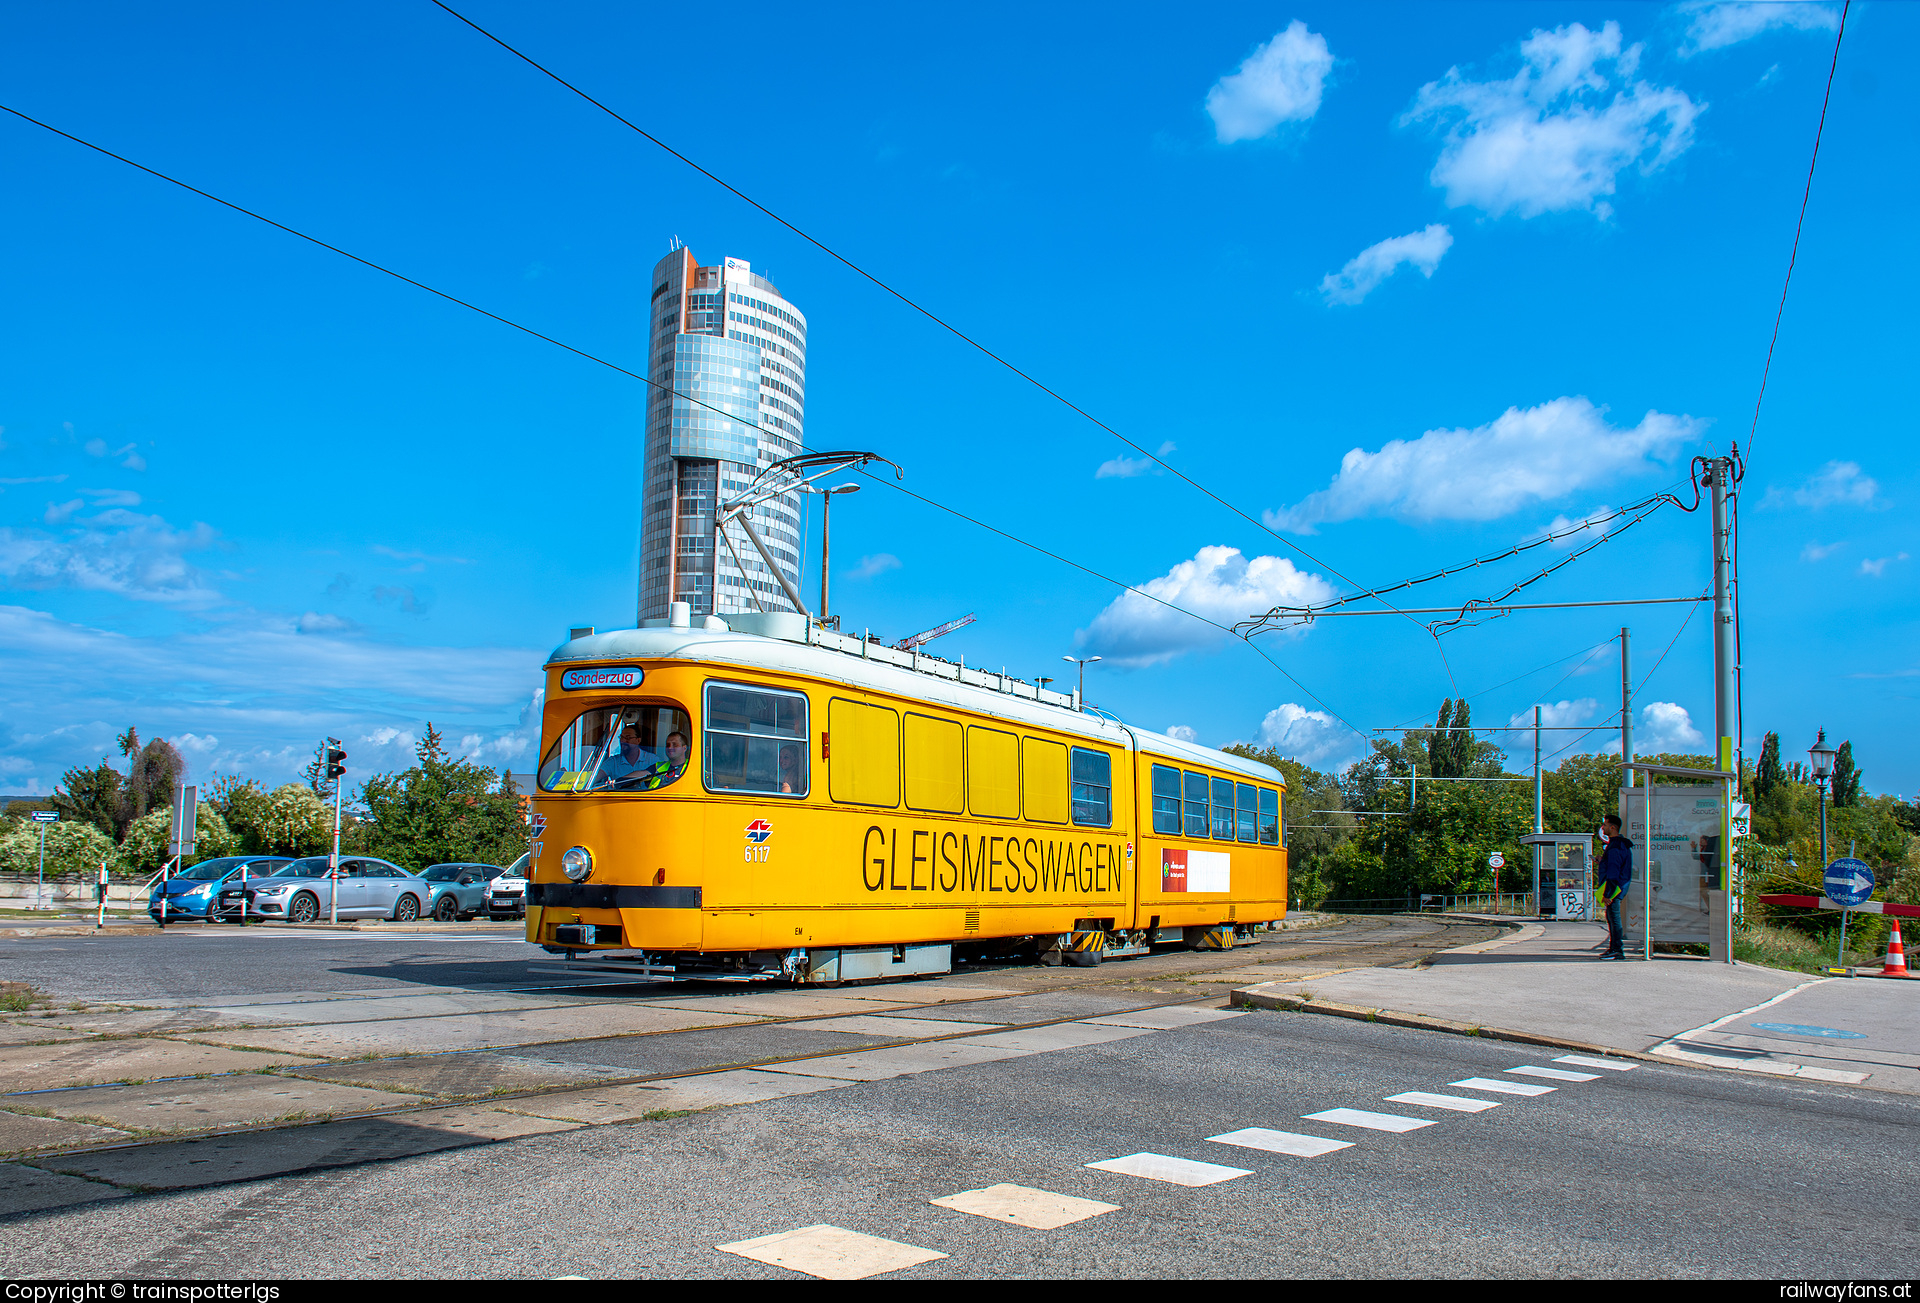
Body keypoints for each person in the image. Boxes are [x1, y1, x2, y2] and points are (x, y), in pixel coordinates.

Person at [1595, 813, 1634, 960]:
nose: (1602, 828)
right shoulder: (1619, 844)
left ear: (1613, 827)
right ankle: (1614, 948)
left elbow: (1613, 871)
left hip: (1614, 889)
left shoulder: (1615, 846)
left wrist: (1608, 894)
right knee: (1611, 917)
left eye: (1604, 825)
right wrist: (1601, 860)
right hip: (1617, 887)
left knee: (1614, 918)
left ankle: (1617, 950)